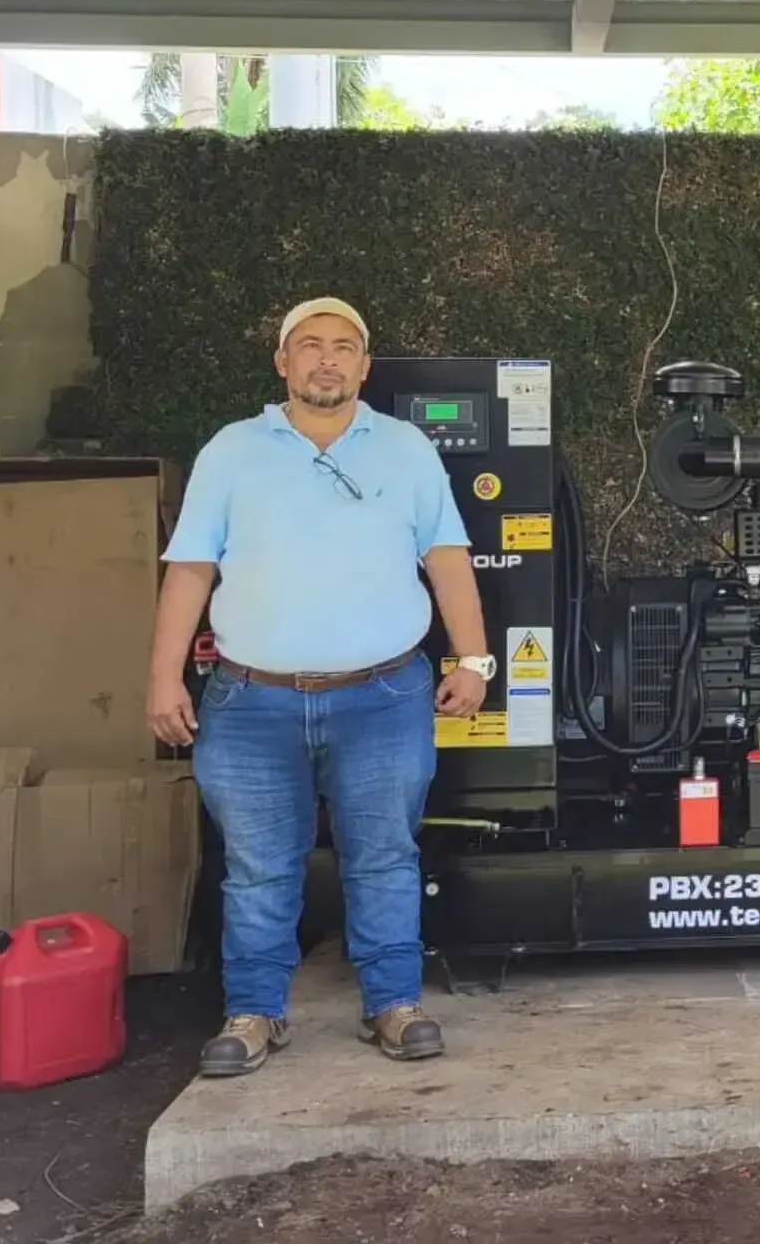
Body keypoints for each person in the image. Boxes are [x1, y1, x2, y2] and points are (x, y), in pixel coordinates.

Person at [145, 297, 494, 1077]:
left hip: (383, 699)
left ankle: (394, 1005)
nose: (326, 360)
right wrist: (163, 676)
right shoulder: (231, 452)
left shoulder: (406, 451)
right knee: (260, 867)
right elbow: (192, 569)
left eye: (343, 347)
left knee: (383, 859)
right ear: (283, 362)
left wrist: (473, 661)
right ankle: (254, 1013)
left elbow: (446, 560)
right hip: (250, 701)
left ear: (365, 366)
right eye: (310, 346)